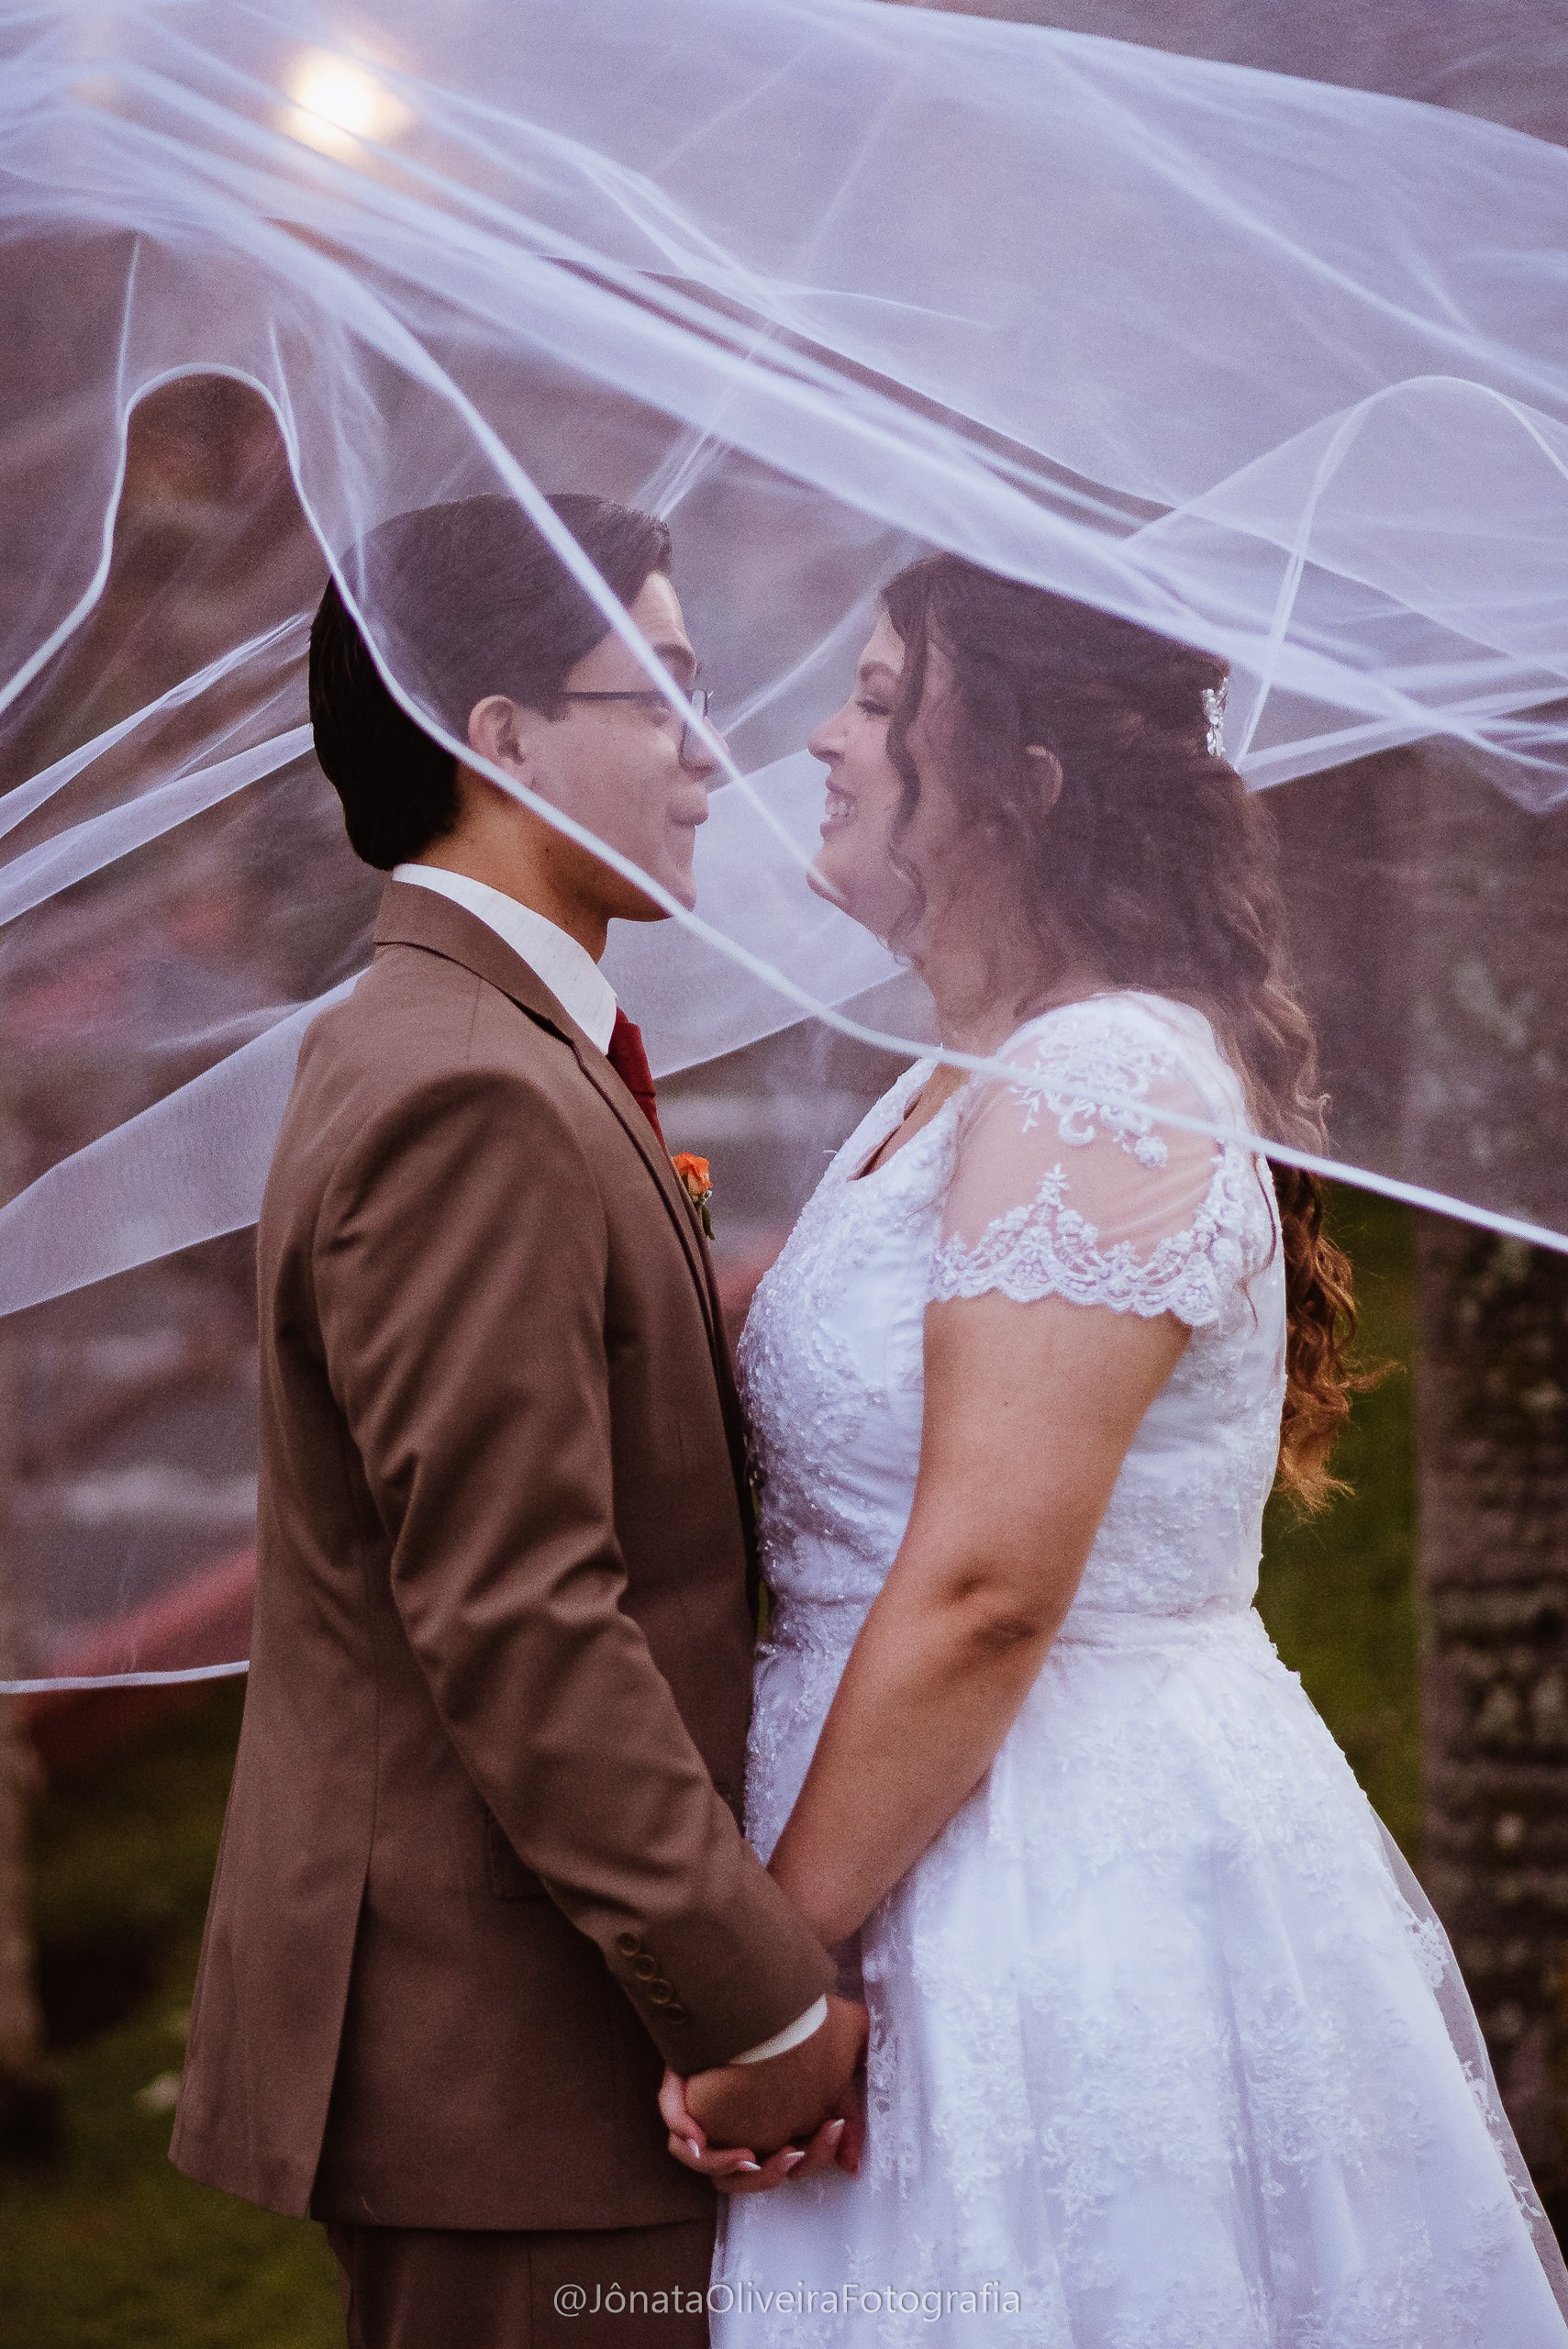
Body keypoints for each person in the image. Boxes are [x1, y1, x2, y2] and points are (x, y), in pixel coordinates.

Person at [661, 555, 1568, 2343]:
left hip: (1048, 1869)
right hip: (918, 1839)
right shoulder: (958, 1078)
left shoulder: (1100, 1080)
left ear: (1021, 783)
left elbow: (988, 1586)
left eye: (876, 700)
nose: (822, 742)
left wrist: (774, 1971)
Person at [170, 492, 867, 2349]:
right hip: (507, 2067)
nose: (709, 752)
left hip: (526, 2055)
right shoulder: (468, 1093)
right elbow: (518, 1614)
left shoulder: (476, 1042)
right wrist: (754, 2001)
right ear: (501, 737)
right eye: (660, 691)